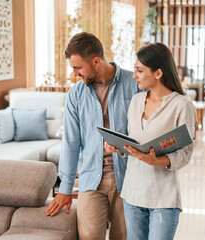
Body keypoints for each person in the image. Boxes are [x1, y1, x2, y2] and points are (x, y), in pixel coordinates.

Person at [45, 32, 140, 240]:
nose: (74, 74)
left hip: (128, 179)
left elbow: (145, 130)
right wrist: (66, 188)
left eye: (78, 68)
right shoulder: (75, 94)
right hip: (91, 181)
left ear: (96, 61)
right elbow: (70, 142)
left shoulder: (134, 84)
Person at [105, 42, 196, 240]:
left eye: (139, 70)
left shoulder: (182, 106)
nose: (134, 75)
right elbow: (135, 142)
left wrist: (158, 160)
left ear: (158, 73)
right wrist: (119, 147)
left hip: (163, 198)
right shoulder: (136, 101)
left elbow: (186, 153)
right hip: (133, 193)